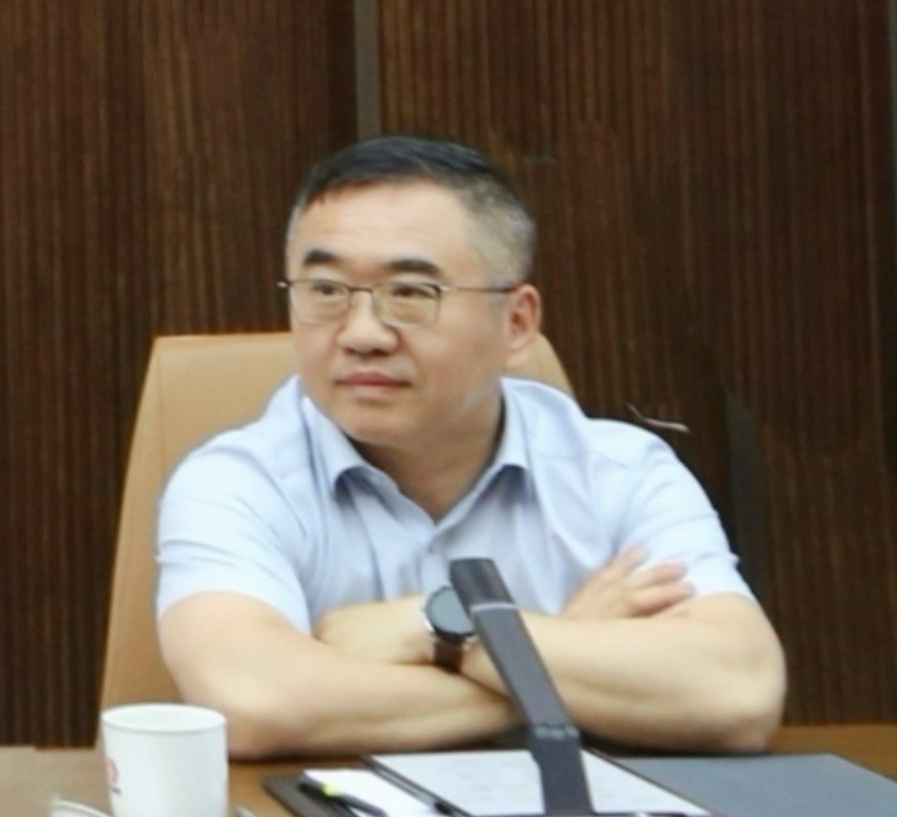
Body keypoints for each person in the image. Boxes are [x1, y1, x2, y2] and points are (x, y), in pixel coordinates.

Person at [153, 133, 783, 759]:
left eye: (411, 293)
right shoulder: (237, 482)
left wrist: (434, 626)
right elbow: (253, 701)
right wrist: (551, 659)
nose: (362, 334)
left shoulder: (620, 473)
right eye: (325, 291)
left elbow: (738, 691)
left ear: (516, 323)